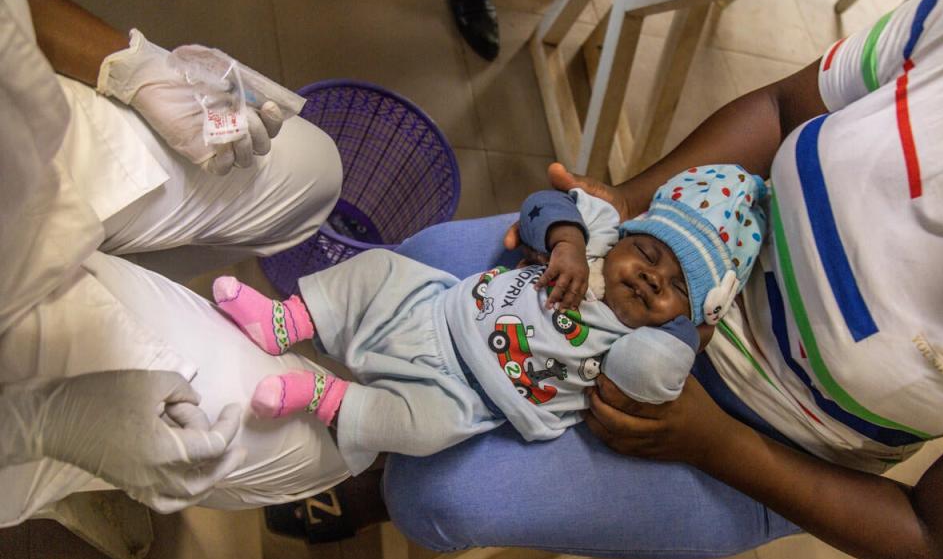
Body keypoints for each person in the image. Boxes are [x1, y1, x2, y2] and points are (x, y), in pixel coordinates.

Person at [379, 0, 943, 559]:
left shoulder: (728, 435)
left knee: (435, 495)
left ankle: (363, 469)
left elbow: (940, 541)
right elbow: (785, 107)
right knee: (420, 267)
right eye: (652, 262)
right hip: (674, 277)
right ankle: (357, 420)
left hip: (772, 445)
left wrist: (718, 446)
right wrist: (619, 208)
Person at [0, 0, 349, 525]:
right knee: (311, 447)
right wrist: (40, 424)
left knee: (315, 168)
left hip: (34, 157)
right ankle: (74, 479)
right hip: (15, 368)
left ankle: (142, 274)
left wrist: (132, 67)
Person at [210, 166, 767, 475]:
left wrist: (689, 333)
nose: (652, 280)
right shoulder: (596, 241)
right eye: (649, 257)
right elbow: (540, 205)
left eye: (675, 288)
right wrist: (566, 242)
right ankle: (286, 321)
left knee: (421, 432)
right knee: (377, 269)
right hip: (439, 308)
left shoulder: (643, 343)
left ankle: (322, 397)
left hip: (471, 398)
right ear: (628, 237)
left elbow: (654, 372)